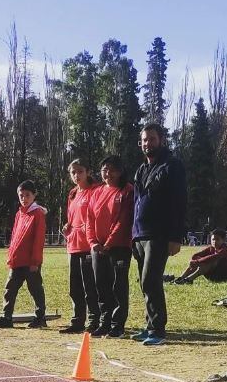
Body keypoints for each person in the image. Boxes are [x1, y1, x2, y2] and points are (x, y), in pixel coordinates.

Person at [131, 124, 187, 346]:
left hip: (160, 234)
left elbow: (179, 202)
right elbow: (136, 204)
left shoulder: (172, 166)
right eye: (144, 140)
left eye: (152, 139)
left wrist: (176, 236)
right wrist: (133, 234)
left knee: (150, 280)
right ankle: (149, 325)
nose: (148, 143)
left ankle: (158, 330)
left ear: (161, 140)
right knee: (145, 283)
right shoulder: (141, 170)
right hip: (140, 235)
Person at [86, 155, 134, 338]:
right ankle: (104, 322)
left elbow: (123, 220)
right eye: (105, 169)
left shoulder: (127, 191)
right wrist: (93, 242)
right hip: (98, 248)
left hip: (119, 247)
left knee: (118, 286)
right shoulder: (97, 192)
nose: (108, 173)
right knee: (101, 286)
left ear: (120, 171)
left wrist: (109, 243)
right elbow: (89, 219)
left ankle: (117, 325)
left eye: (112, 169)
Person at [0, 180, 48, 329]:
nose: (24, 198)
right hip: (17, 260)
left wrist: (35, 261)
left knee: (35, 289)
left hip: (30, 261)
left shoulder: (38, 214)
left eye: (27, 195)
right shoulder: (19, 214)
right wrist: (11, 256)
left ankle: (40, 317)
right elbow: (15, 236)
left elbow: (39, 239)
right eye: (21, 195)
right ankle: (6, 317)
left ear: (34, 195)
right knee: (10, 288)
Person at [59, 158, 101, 334]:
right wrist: (67, 227)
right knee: (74, 287)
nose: (76, 175)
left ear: (88, 172)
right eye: (73, 172)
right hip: (73, 245)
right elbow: (72, 217)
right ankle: (77, 321)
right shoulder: (73, 193)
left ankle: (94, 321)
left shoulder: (96, 191)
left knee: (89, 286)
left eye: (80, 171)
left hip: (88, 246)